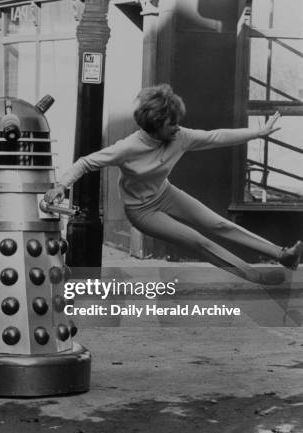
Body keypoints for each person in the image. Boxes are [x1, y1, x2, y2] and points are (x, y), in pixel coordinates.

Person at [44, 84, 302, 285]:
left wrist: (257, 132)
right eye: (172, 124)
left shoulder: (179, 136)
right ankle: (256, 278)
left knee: (218, 223)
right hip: (142, 211)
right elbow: (86, 162)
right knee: (198, 241)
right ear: (154, 126)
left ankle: (283, 255)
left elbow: (215, 136)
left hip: (165, 193)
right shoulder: (128, 147)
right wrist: (60, 186)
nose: (178, 128)